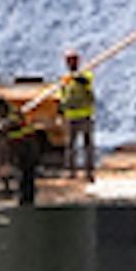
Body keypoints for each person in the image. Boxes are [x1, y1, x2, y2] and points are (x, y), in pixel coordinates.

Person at [0, 95, 45, 207]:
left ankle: (27, 199)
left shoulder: (13, 114)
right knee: (24, 174)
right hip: (23, 146)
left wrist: (2, 127)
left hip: (27, 146)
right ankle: (25, 198)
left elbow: (11, 124)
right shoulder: (11, 112)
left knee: (27, 174)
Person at [59, 50, 97, 180]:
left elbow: (86, 82)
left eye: (73, 60)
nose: (71, 63)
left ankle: (89, 172)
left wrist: (75, 77)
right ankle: (71, 171)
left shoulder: (85, 74)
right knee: (70, 146)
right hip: (70, 117)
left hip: (85, 116)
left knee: (88, 146)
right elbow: (62, 95)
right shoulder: (65, 79)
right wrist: (61, 110)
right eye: (68, 61)